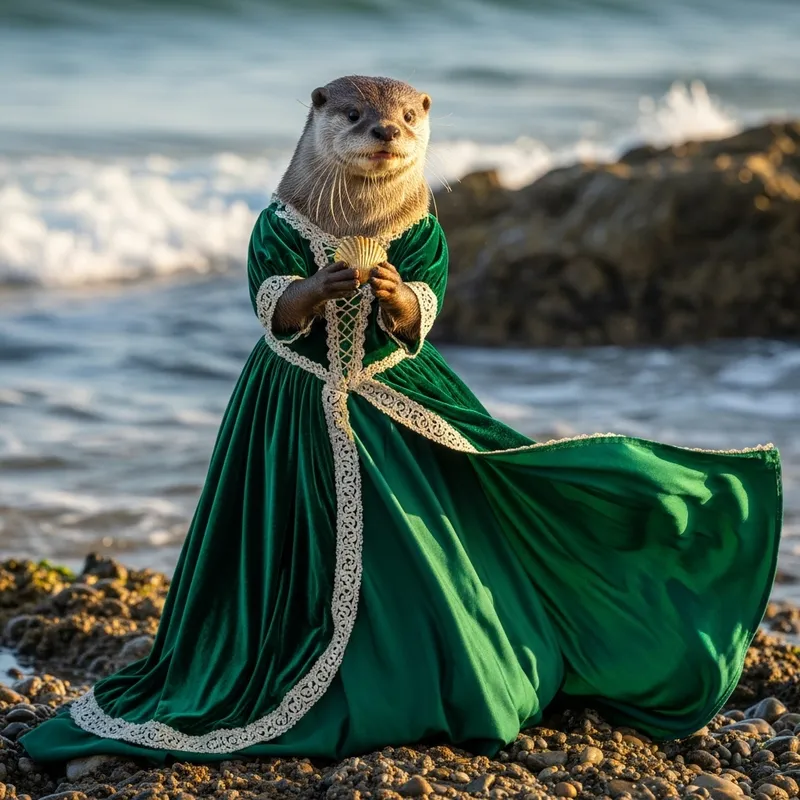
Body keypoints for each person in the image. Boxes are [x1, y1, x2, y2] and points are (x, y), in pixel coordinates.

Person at [22, 76, 782, 767]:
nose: (384, 134)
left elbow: (428, 303)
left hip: (394, 391)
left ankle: (425, 677)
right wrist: (310, 292)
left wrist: (398, 301)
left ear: (425, 124)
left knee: (442, 538)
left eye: (403, 123)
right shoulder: (281, 223)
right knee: (283, 553)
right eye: (356, 120)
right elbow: (271, 307)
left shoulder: (418, 228)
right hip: (290, 402)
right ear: (318, 116)